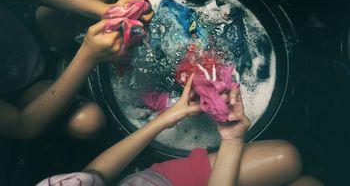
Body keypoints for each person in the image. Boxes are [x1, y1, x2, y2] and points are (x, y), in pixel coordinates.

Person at [36, 75, 325, 186]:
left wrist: (164, 119)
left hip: (162, 181)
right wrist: (231, 140)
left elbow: (96, 176)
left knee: (286, 158)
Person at [0, 0, 154, 140]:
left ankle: (69, 60)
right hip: (23, 89)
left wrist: (111, 11)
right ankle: (66, 71)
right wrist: (88, 56)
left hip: (31, 33)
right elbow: (23, 126)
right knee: (89, 122)